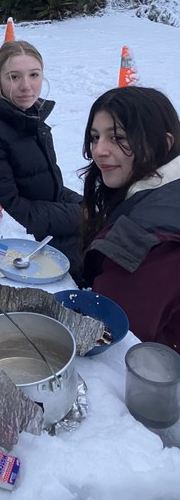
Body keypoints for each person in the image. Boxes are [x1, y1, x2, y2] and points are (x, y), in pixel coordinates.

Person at [0, 40, 82, 251]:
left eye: (34, 75)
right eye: (14, 77)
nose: (26, 86)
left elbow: (44, 188)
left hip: (47, 226)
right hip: (17, 245)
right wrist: (82, 217)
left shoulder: (26, 117)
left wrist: (87, 204)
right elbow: (7, 214)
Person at [80, 86, 180, 351]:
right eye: (95, 137)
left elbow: (109, 335)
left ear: (164, 143)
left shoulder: (150, 239)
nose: (99, 150)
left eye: (117, 137)